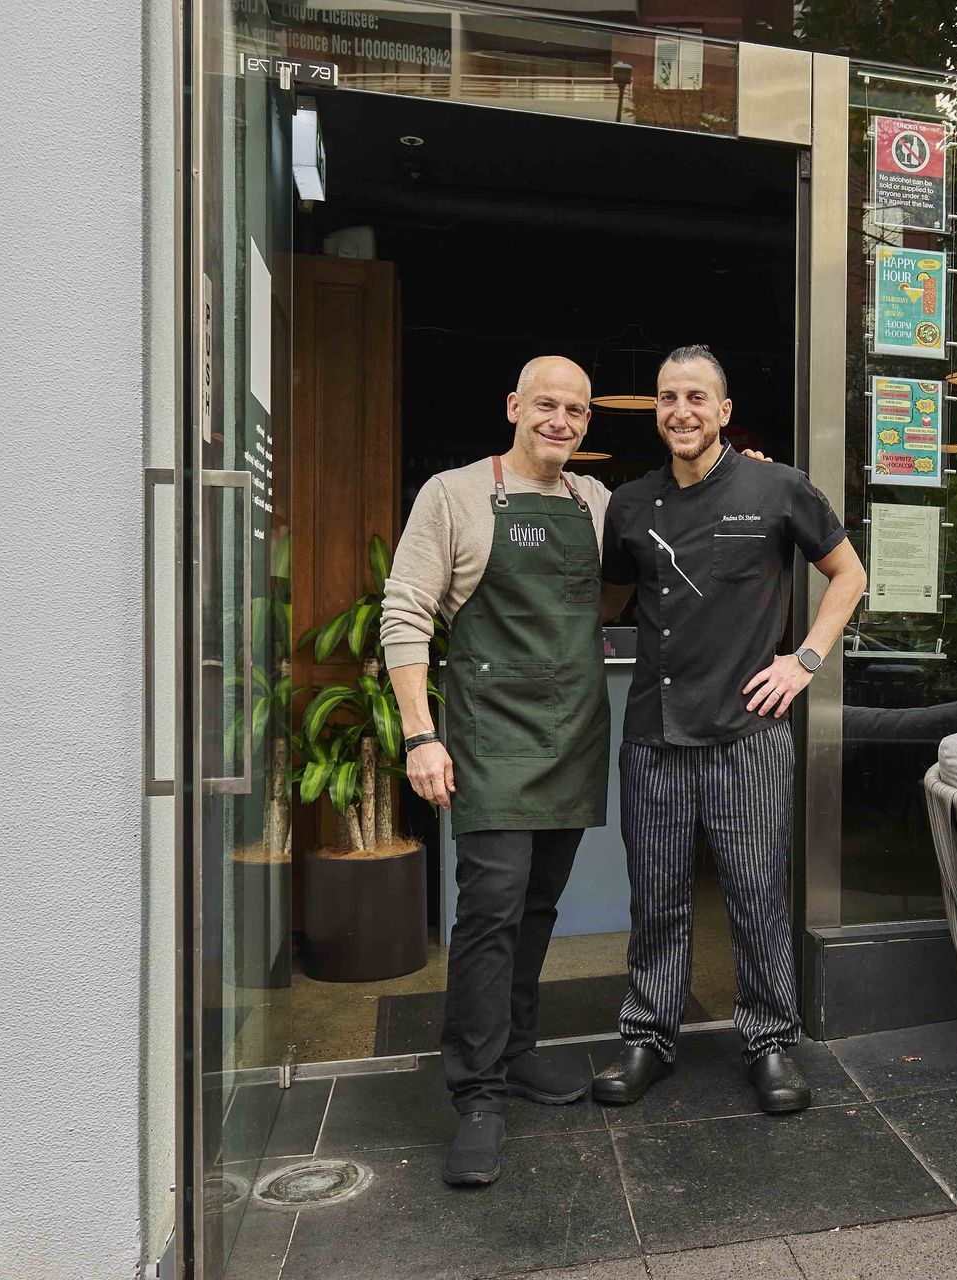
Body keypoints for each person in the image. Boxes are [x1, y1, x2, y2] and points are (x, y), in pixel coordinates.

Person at [590, 344, 867, 1113]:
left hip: (749, 732)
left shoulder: (777, 487)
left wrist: (803, 661)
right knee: (657, 897)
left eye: (695, 398)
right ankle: (649, 1038)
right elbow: (606, 603)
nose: (680, 411)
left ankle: (770, 1042)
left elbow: (849, 573)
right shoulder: (631, 504)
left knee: (755, 894)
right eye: (667, 397)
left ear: (723, 411)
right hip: (654, 735)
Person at [379, 354, 613, 1187]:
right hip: (490, 739)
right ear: (514, 406)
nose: (560, 420)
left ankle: (516, 1050)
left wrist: (744, 474)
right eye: (546, 404)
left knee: (539, 905)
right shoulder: (454, 495)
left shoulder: (596, 502)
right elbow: (405, 612)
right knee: (490, 912)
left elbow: (677, 528)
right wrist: (421, 735)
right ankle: (477, 1094)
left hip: (572, 738)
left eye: (575, 410)